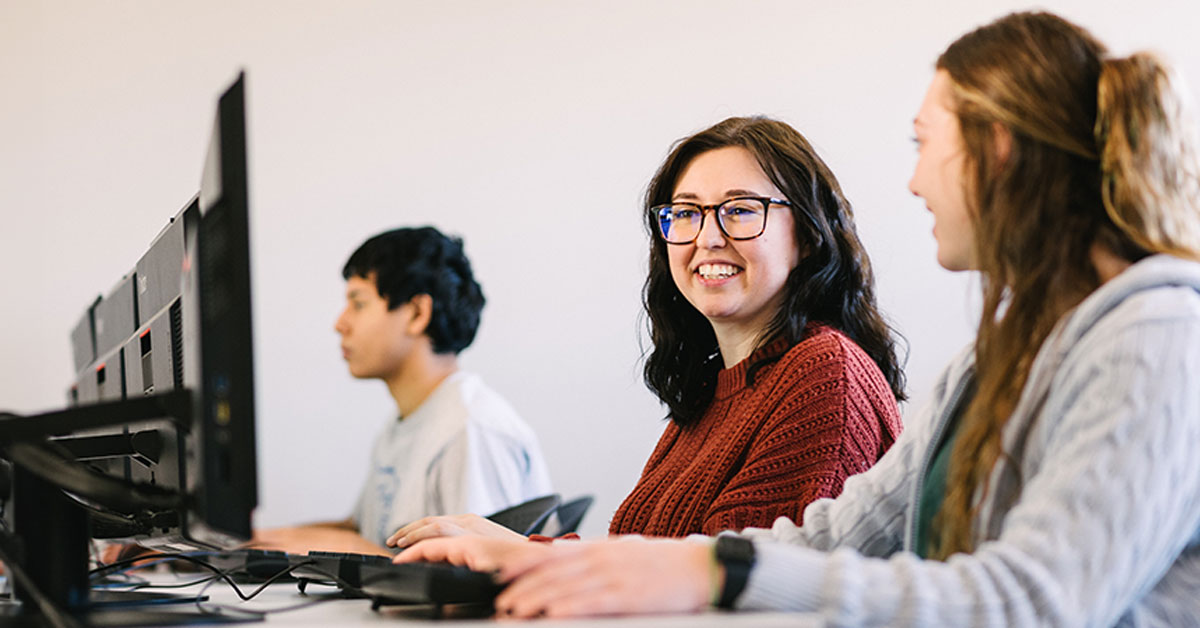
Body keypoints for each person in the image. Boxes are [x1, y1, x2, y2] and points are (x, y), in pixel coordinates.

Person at [395, 11, 1200, 624]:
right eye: (686, 213)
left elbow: (1032, 599)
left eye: (924, 143)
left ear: (995, 150)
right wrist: (548, 560)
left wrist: (717, 572)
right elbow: (828, 539)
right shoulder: (995, 359)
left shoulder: (1153, 338)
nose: (914, 182)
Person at [387, 117, 905, 549]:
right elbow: (651, 564)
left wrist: (521, 555)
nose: (707, 237)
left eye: (741, 210)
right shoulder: (710, 391)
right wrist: (511, 552)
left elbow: (735, 586)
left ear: (809, 237)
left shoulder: (824, 375)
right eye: (685, 213)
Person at [255, 227, 553, 554]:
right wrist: (250, 542)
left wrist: (347, 546)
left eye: (358, 303)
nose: (340, 323)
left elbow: (477, 580)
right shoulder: (405, 422)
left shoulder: (471, 429)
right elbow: (361, 530)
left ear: (416, 313)